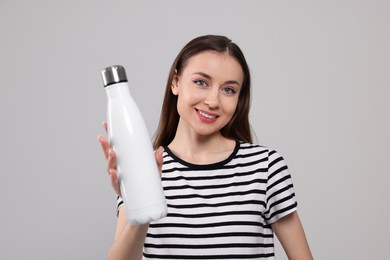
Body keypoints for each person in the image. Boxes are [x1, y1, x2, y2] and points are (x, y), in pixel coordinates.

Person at [98, 35, 313, 260]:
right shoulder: (145, 168)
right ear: (176, 82)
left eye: (228, 90)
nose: (213, 101)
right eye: (201, 82)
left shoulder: (265, 167)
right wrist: (140, 206)